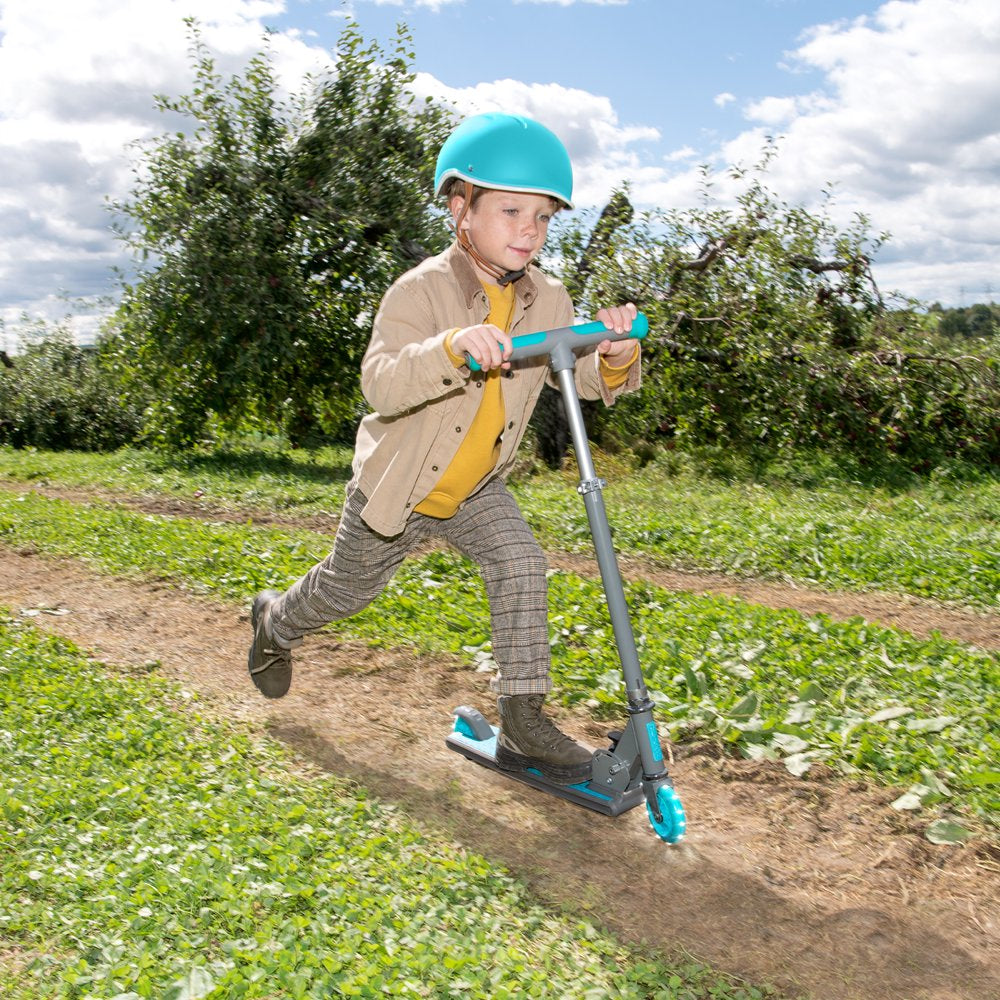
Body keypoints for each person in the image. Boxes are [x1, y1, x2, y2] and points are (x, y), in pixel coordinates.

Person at [248, 112, 643, 785]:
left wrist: (613, 348)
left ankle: (523, 725)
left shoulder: (548, 296)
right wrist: (452, 348)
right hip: (398, 489)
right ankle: (275, 624)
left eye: (543, 217)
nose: (529, 229)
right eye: (512, 209)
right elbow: (381, 381)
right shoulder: (421, 289)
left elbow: (581, 378)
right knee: (346, 592)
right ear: (462, 210)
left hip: (475, 488)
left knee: (521, 563)